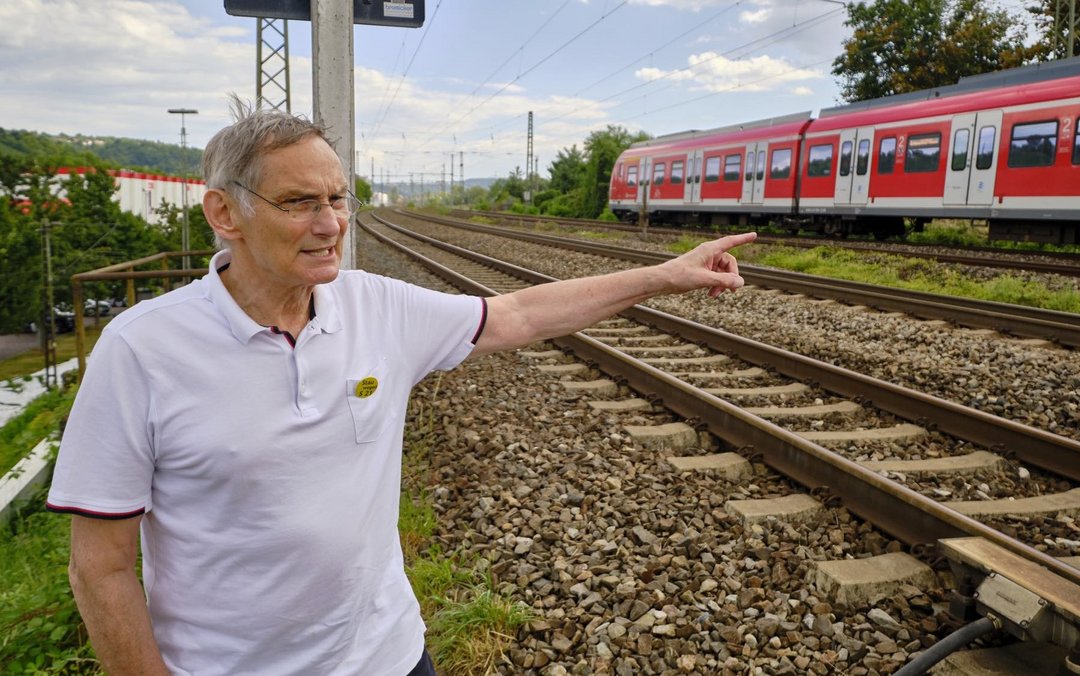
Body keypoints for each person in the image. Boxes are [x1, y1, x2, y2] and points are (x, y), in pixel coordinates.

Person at [46, 102, 756, 675]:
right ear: (224, 214)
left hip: (390, 654)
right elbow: (100, 566)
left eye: (337, 198)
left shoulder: (375, 307)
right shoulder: (142, 349)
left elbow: (518, 314)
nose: (330, 225)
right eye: (299, 202)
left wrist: (664, 274)